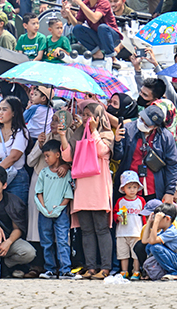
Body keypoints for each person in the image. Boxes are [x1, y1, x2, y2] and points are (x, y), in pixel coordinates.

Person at [67, 102, 114, 280]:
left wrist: (94, 132)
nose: (86, 118)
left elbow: (103, 151)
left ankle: (106, 267)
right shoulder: (79, 133)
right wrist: (64, 136)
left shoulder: (106, 133)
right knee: (86, 229)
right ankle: (91, 267)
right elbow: (67, 156)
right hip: (82, 187)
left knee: (101, 228)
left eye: (89, 114)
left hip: (98, 187)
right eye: (84, 114)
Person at [113, 105, 177, 203]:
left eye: (147, 123)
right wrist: (117, 142)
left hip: (154, 189)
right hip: (128, 189)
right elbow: (117, 156)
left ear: (156, 126)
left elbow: (173, 165)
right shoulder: (128, 129)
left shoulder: (166, 137)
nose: (142, 123)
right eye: (142, 119)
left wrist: (170, 191)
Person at [35, 140, 73, 279]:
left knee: (62, 240)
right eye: (44, 156)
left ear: (58, 155)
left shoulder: (65, 173)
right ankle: (49, 268)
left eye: (47, 155)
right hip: (44, 212)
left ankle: (65, 269)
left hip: (61, 212)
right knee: (46, 241)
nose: (45, 159)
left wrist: (60, 208)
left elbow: (68, 194)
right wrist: (43, 207)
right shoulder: (43, 173)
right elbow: (38, 192)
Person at [64, 0, 122, 68]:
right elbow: (77, 24)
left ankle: (112, 57)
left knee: (102, 27)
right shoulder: (85, 3)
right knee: (77, 29)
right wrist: (68, 13)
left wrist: (81, 4)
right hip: (97, 37)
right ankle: (97, 53)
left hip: (111, 37)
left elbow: (95, 18)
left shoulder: (103, 2)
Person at [0, 97, 30, 203]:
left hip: (16, 177)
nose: (0, 113)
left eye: (4, 109)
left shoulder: (21, 132)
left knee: (16, 211)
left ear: (14, 112)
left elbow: (14, 157)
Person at [142, 202, 177, 280]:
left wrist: (156, 222)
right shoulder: (164, 232)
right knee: (149, 246)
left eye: (158, 219)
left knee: (155, 247)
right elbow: (145, 240)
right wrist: (149, 221)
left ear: (167, 219)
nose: (155, 220)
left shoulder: (172, 232)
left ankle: (174, 273)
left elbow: (153, 241)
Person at [114, 170, 146, 280]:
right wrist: (118, 217)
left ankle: (136, 271)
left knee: (135, 254)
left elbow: (145, 216)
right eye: (129, 187)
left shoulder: (141, 201)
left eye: (134, 187)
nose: (132, 190)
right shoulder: (120, 201)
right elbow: (115, 212)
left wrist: (145, 229)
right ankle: (124, 271)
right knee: (123, 254)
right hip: (122, 232)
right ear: (123, 188)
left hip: (136, 232)